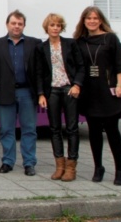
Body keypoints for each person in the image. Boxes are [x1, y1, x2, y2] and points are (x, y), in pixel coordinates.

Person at [73, 6, 121, 186]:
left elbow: (120, 64)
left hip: (108, 91)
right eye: (88, 18)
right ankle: (98, 167)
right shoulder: (79, 42)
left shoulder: (110, 38)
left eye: (95, 18)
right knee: (94, 132)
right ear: (83, 21)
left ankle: (119, 169)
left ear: (100, 20)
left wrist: (120, 85)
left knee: (112, 131)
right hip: (89, 92)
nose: (91, 21)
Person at [0, 10, 41, 176]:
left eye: (20, 24)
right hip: (5, 92)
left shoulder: (35, 44)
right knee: (6, 129)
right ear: (7, 24)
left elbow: (40, 71)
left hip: (27, 92)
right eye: (13, 23)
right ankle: (8, 161)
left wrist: (41, 93)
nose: (16, 26)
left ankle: (29, 163)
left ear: (24, 25)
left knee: (29, 129)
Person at [36, 13, 85, 182]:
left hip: (69, 90)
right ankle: (59, 166)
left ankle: (71, 166)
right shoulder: (41, 48)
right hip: (52, 92)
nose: (55, 28)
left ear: (61, 27)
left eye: (58, 25)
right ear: (46, 28)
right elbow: (40, 73)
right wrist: (41, 94)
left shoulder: (71, 44)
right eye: (52, 25)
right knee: (54, 129)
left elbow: (81, 66)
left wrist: (77, 84)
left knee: (71, 128)